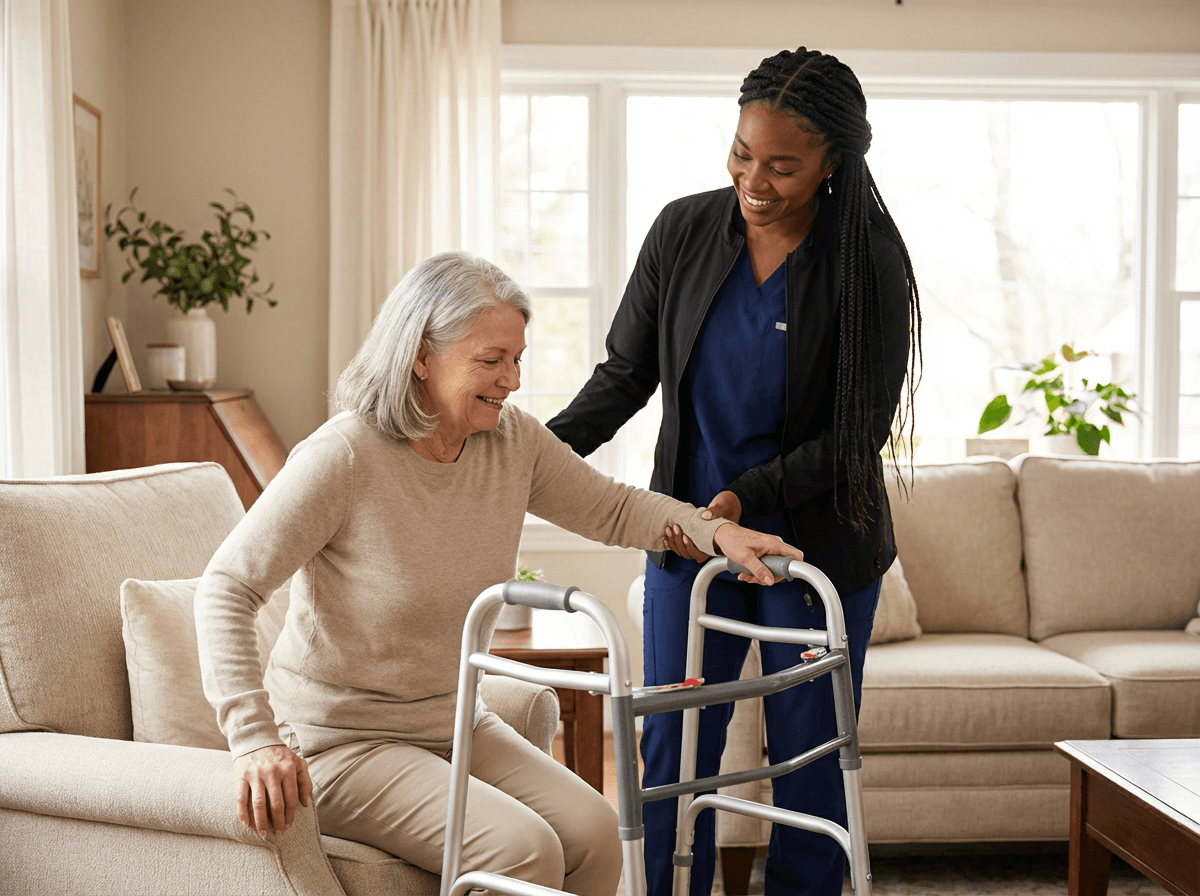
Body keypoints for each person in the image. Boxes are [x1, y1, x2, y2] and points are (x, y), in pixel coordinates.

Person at [194, 251, 806, 896]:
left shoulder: (508, 440)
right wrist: (254, 739)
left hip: (454, 721)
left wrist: (718, 533)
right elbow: (227, 587)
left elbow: (613, 506)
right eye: (490, 361)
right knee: (521, 851)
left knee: (598, 831)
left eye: (517, 358)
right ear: (420, 355)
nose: (511, 379)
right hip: (341, 742)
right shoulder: (344, 455)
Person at [546, 48, 922, 896]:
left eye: (784, 165)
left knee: (810, 771)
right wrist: (534, 452)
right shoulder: (683, 231)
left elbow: (855, 437)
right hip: (691, 541)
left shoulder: (869, 265)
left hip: (812, 546)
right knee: (672, 757)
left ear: (835, 161)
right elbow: (623, 375)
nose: (756, 178)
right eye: (742, 153)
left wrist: (747, 496)